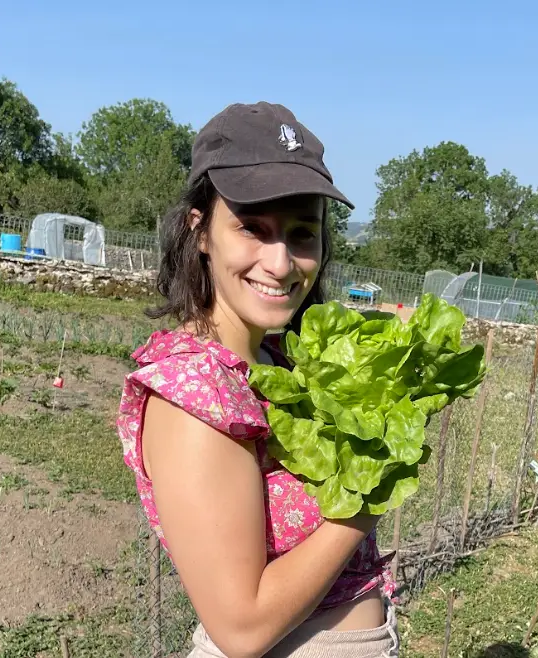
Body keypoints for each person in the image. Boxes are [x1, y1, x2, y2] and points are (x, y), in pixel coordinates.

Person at [117, 102, 399, 658]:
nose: (280, 262)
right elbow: (241, 629)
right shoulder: (195, 396)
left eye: (301, 233)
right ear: (200, 232)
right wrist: (368, 500)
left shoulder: (274, 360)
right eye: (252, 228)